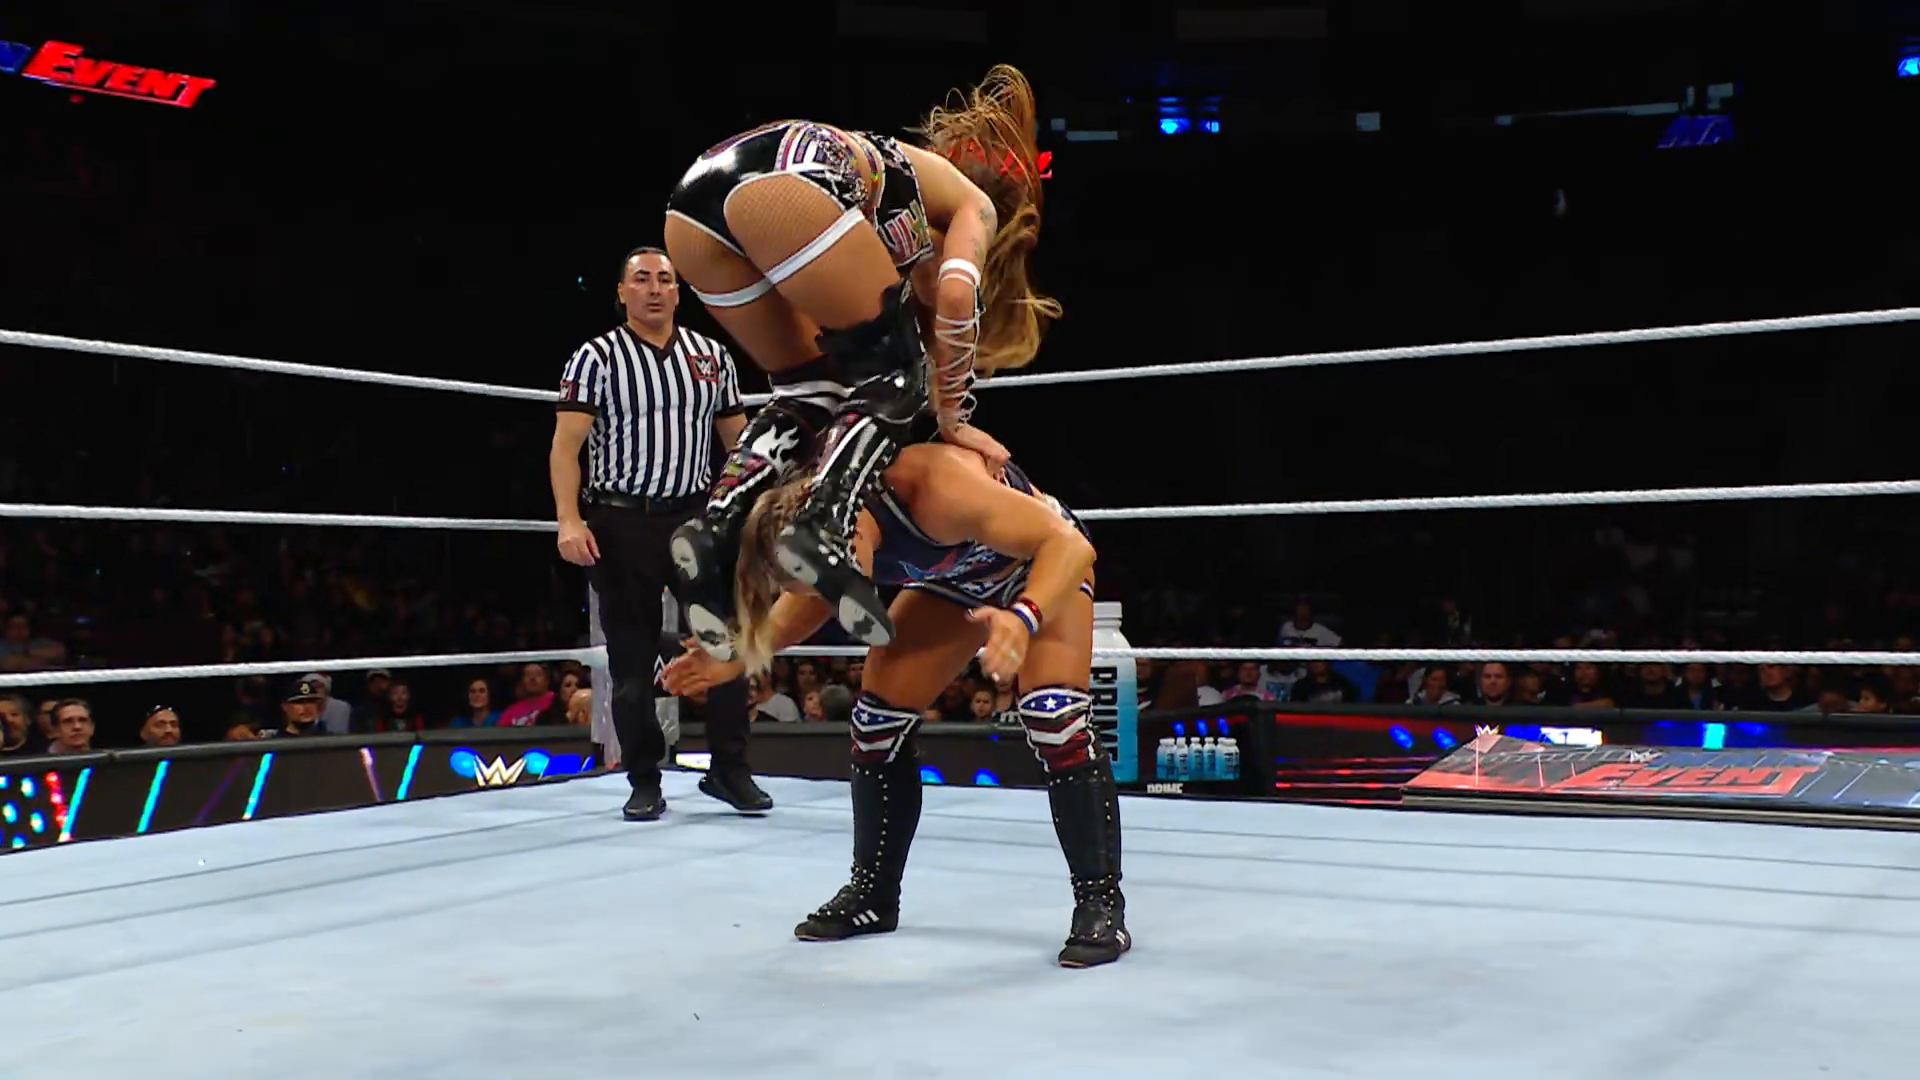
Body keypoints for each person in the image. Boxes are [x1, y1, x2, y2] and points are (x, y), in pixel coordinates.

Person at [663, 442, 1128, 968]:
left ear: (848, 541)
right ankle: (873, 894)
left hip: (1040, 566)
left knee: (1054, 717)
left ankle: (1101, 904)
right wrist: (738, 657)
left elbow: (1069, 545)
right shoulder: (817, 524)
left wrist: (1023, 617)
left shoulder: (934, 486)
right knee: (876, 723)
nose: (834, 597)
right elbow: (814, 598)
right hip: (956, 580)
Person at [663, 64, 1060, 660]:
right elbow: (957, 298)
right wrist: (952, 414)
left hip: (691, 208)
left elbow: (844, 351)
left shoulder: (896, 214)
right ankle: (824, 525)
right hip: (781, 186)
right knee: (897, 377)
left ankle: (716, 528)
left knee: (809, 388)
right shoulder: (974, 205)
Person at [553, 246, 770, 822]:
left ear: (679, 291)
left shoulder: (711, 357)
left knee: (725, 641)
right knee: (631, 658)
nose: (654, 289)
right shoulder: (596, 357)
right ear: (622, 292)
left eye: (665, 280)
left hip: (695, 516)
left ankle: (730, 769)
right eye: (642, 279)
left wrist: (744, 511)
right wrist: (569, 519)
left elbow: (739, 443)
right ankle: (644, 778)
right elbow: (566, 447)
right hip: (621, 520)